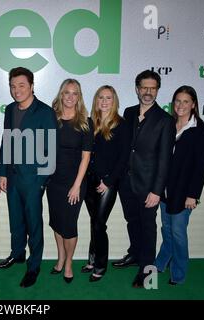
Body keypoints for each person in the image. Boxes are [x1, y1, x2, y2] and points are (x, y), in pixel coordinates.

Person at [0, 67, 58, 288]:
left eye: (21, 85)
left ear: (32, 86)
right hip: (12, 177)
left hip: (33, 180)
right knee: (16, 220)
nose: (16, 90)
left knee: (34, 224)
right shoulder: (10, 109)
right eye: (13, 86)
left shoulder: (45, 112)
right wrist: (2, 173)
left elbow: (51, 149)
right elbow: (6, 142)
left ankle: (34, 266)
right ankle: (17, 254)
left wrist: (41, 182)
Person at [113, 70, 176, 288]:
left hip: (149, 186)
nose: (148, 92)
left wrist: (157, 191)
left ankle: (148, 272)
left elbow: (165, 159)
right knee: (132, 222)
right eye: (144, 87)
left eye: (153, 88)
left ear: (157, 89)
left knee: (148, 229)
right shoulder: (129, 113)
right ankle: (135, 255)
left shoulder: (165, 120)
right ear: (137, 88)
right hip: (126, 183)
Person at [155, 86, 204, 285]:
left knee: (178, 234)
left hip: (184, 193)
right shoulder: (168, 124)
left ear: (193, 104)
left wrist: (193, 195)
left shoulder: (200, 130)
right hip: (164, 191)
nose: (181, 105)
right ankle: (160, 263)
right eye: (177, 101)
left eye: (186, 101)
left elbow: (201, 166)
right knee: (167, 230)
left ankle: (178, 273)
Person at [46, 79, 92, 284]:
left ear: (79, 97)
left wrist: (76, 186)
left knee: (69, 225)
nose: (70, 97)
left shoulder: (85, 122)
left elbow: (86, 157)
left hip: (75, 183)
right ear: (61, 95)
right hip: (53, 182)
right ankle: (60, 257)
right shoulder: (51, 119)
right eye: (67, 93)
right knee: (56, 222)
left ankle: (69, 263)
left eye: (75, 93)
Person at [81, 85, 129, 282]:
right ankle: (92, 259)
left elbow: (124, 157)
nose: (104, 101)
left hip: (107, 183)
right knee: (94, 222)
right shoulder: (90, 123)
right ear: (96, 100)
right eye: (100, 97)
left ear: (114, 100)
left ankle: (100, 265)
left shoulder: (121, 124)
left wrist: (108, 181)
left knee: (100, 224)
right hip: (89, 181)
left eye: (108, 98)